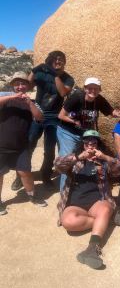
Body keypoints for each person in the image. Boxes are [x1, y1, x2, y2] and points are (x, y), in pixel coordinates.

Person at [54, 130, 120, 269]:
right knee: (68, 223)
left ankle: (93, 248)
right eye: (87, 142)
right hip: (76, 203)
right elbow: (57, 164)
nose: (90, 145)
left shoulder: (103, 162)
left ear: (98, 144)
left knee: (105, 210)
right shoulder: (75, 160)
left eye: (94, 142)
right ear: (83, 144)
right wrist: (78, 156)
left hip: (97, 202)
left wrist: (105, 157)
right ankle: (107, 221)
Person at [11, 50, 74, 192]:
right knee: (28, 146)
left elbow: (63, 92)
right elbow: (27, 87)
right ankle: (20, 176)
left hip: (53, 118)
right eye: (54, 60)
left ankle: (46, 175)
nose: (57, 62)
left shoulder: (68, 79)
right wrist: (34, 70)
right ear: (50, 61)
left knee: (49, 149)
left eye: (60, 60)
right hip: (36, 114)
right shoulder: (40, 74)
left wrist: (55, 74)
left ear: (64, 62)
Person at [57, 77, 120, 192]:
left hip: (84, 135)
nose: (93, 91)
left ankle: (82, 190)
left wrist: (118, 114)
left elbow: (110, 110)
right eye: (90, 88)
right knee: (69, 161)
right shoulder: (77, 98)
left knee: (85, 160)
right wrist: (74, 121)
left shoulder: (98, 100)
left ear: (99, 90)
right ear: (85, 89)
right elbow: (61, 116)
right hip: (68, 132)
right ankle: (64, 196)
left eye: (96, 88)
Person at [0, 72, 47, 215]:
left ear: (28, 86)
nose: (20, 87)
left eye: (23, 83)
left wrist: (30, 103)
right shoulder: (4, 97)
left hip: (21, 146)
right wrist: (12, 97)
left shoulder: (32, 102)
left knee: (25, 172)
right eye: (17, 84)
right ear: (12, 85)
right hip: (1, 145)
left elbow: (39, 117)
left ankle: (32, 195)